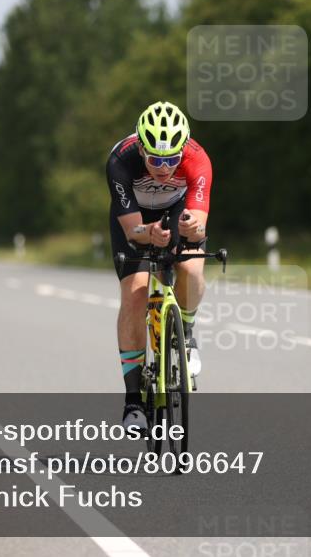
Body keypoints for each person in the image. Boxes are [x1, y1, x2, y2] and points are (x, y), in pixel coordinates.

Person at [106, 101, 211, 432]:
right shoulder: (121, 160)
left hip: (176, 210)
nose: (163, 168)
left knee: (192, 270)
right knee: (136, 293)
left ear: (183, 149)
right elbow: (131, 230)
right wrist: (147, 234)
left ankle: (187, 332)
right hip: (135, 218)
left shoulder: (198, 159)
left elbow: (201, 222)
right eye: (154, 159)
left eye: (170, 159)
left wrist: (194, 229)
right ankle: (134, 400)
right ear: (141, 147)